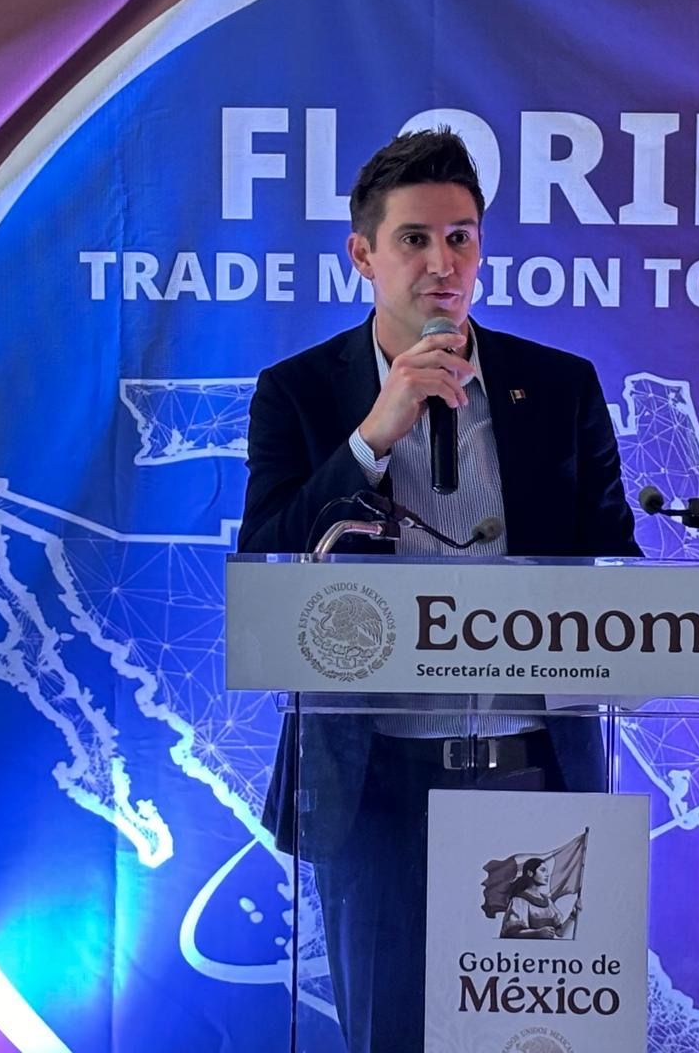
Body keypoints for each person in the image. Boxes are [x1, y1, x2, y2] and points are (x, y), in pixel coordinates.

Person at [239, 129, 640, 1053]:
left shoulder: (559, 387)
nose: (441, 263)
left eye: (460, 238)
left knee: (535, 1042)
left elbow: (611, 567)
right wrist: (373, 436)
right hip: (373, 782)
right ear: (363, 254)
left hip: (534, 771)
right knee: (389, 1036)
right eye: (414, 239)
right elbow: (267, 561)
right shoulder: (299, 393)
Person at [500, 858, 574, 940]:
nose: (547, 875)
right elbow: (512, 933)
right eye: (543, 870)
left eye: (547, 871)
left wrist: (573, 916)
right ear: (530, 873)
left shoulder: (547, 901)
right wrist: (537, 933)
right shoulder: (519, 901)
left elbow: (560, 933)